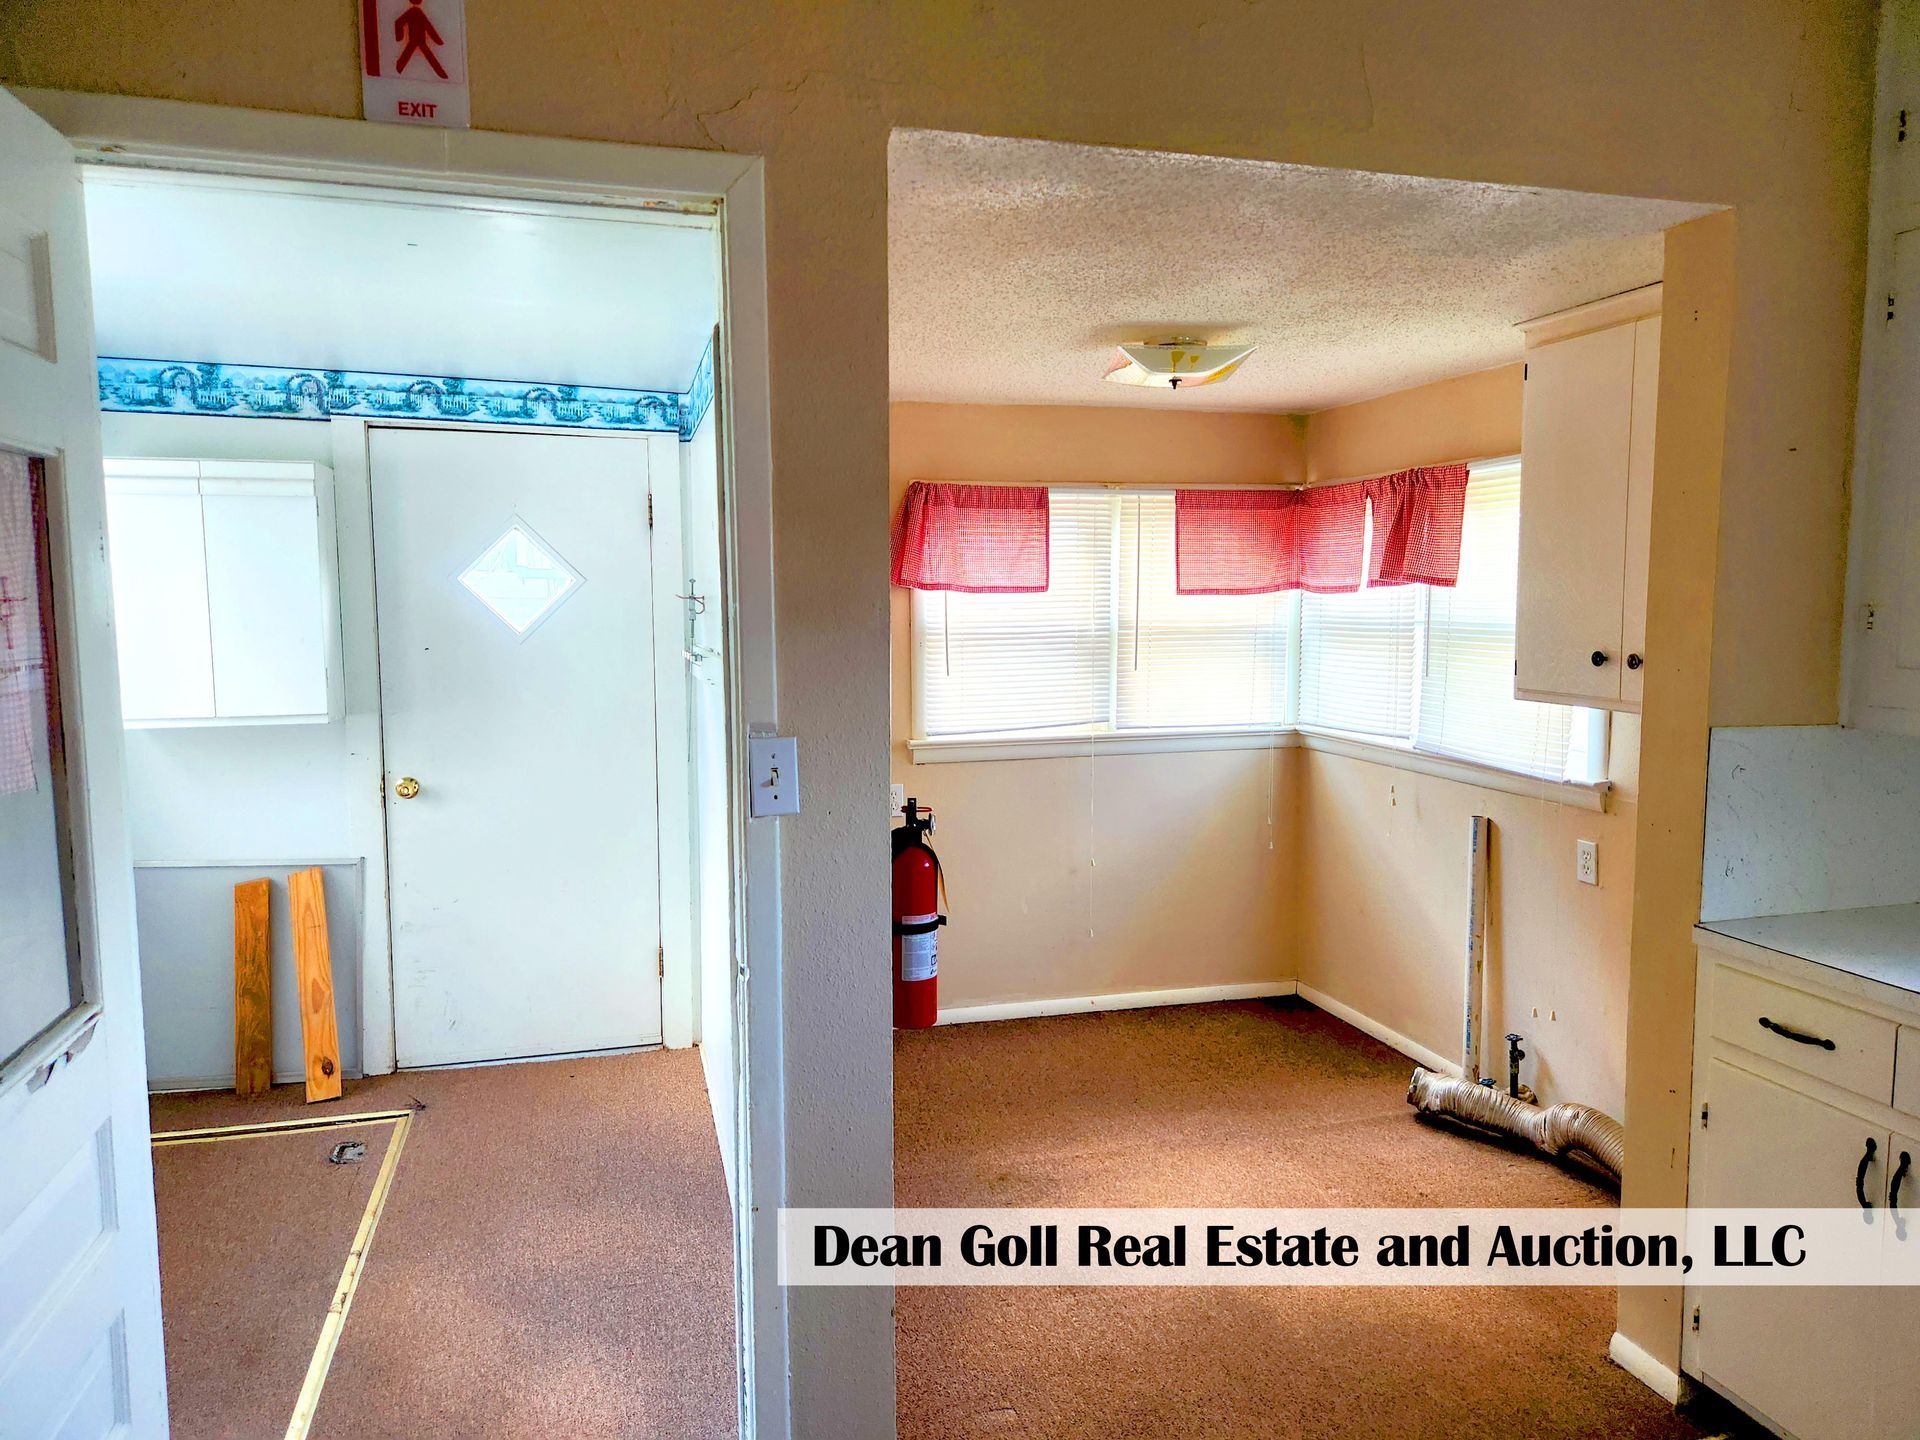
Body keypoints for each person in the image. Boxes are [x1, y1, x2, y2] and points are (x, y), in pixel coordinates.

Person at [394, 0, 448, 79]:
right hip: (416, 40)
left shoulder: (415, 12)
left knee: (413, 53)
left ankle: (398, 68)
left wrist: (437, 40)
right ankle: (398, 68)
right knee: (422, 54)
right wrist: (399, 37)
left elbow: (428, 26)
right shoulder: (413, 12)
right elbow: (399, 22)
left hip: (419, 40)